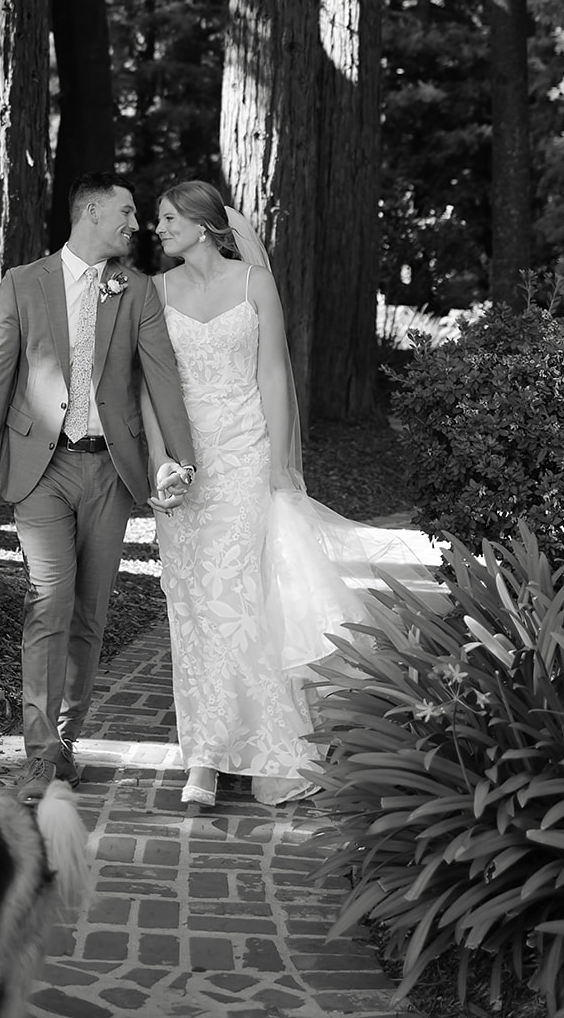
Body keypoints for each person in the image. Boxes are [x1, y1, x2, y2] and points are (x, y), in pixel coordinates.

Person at [144, 179, 437, 810]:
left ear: (201, 224)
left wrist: (279, 463)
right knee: (192, 605)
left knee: (242, 599)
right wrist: (162, 459)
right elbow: (151, 384)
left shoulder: (254, 285)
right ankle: (204, 750)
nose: (157, 227)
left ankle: (248, 750)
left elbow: (274, 374)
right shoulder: (157, 290)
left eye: (168, 218)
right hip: (187, 464)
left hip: (246, 454)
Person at [0, 171, 196, 805]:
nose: (136, 224)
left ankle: (65, 745)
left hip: (111, 472)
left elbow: (162, 377)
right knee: (49, 600)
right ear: (90, 212)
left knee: (89, 613)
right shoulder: (22, 284)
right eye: (127, 211)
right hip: (41, 470)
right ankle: (38, 755)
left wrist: (183, 460)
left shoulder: (135, 290)